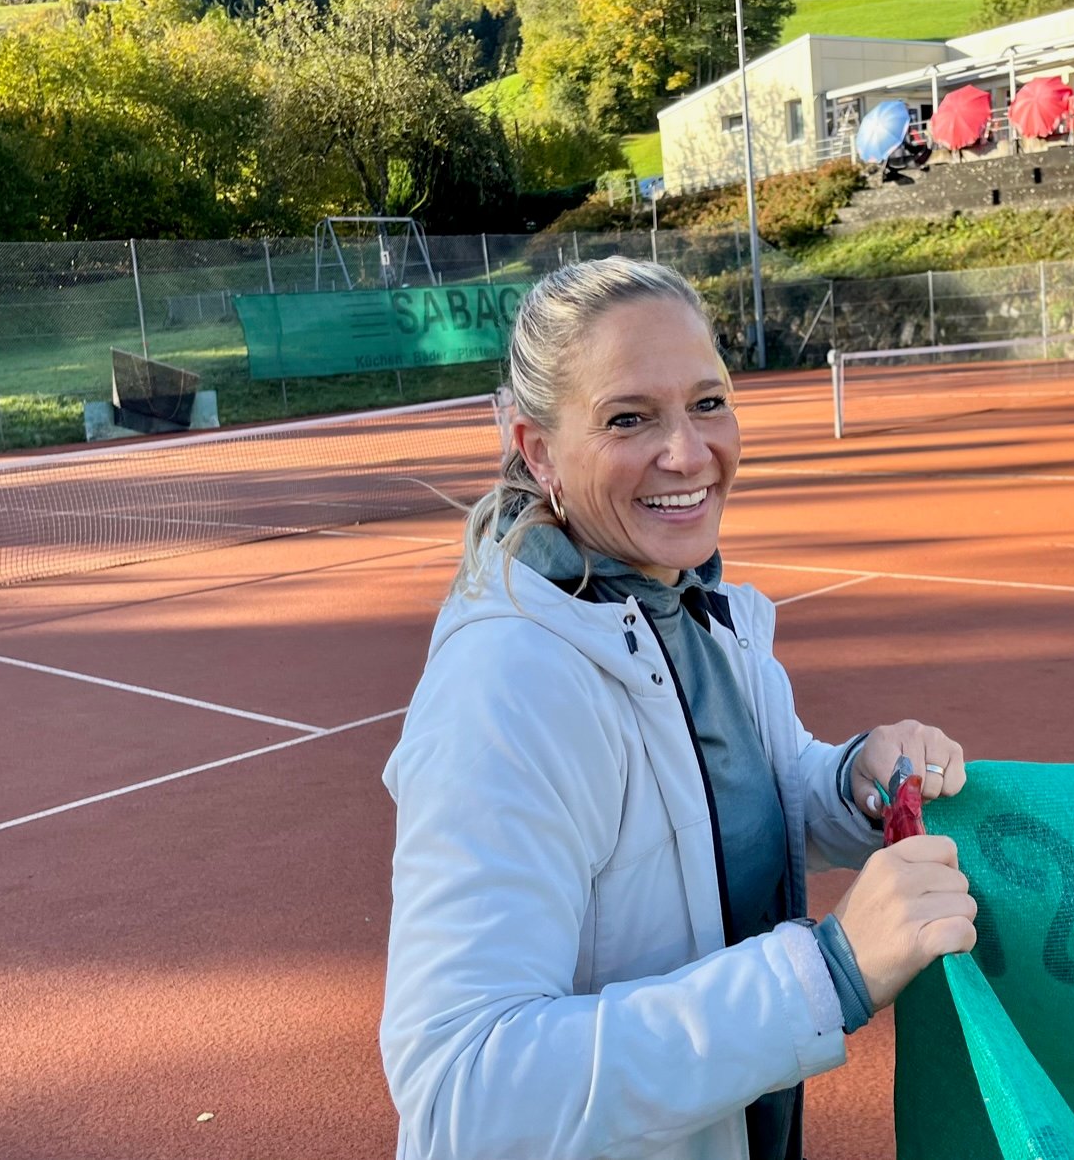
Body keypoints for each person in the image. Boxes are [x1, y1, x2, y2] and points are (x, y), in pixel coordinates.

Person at [379, 256, 978, 1160]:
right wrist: (826, 975)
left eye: (708, 403)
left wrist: (853, 780)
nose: (689, 453)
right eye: (629, 418)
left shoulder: (696, 605)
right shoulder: (505, 685)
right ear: (538, 450)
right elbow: (463, 1088)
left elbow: (733, 804)